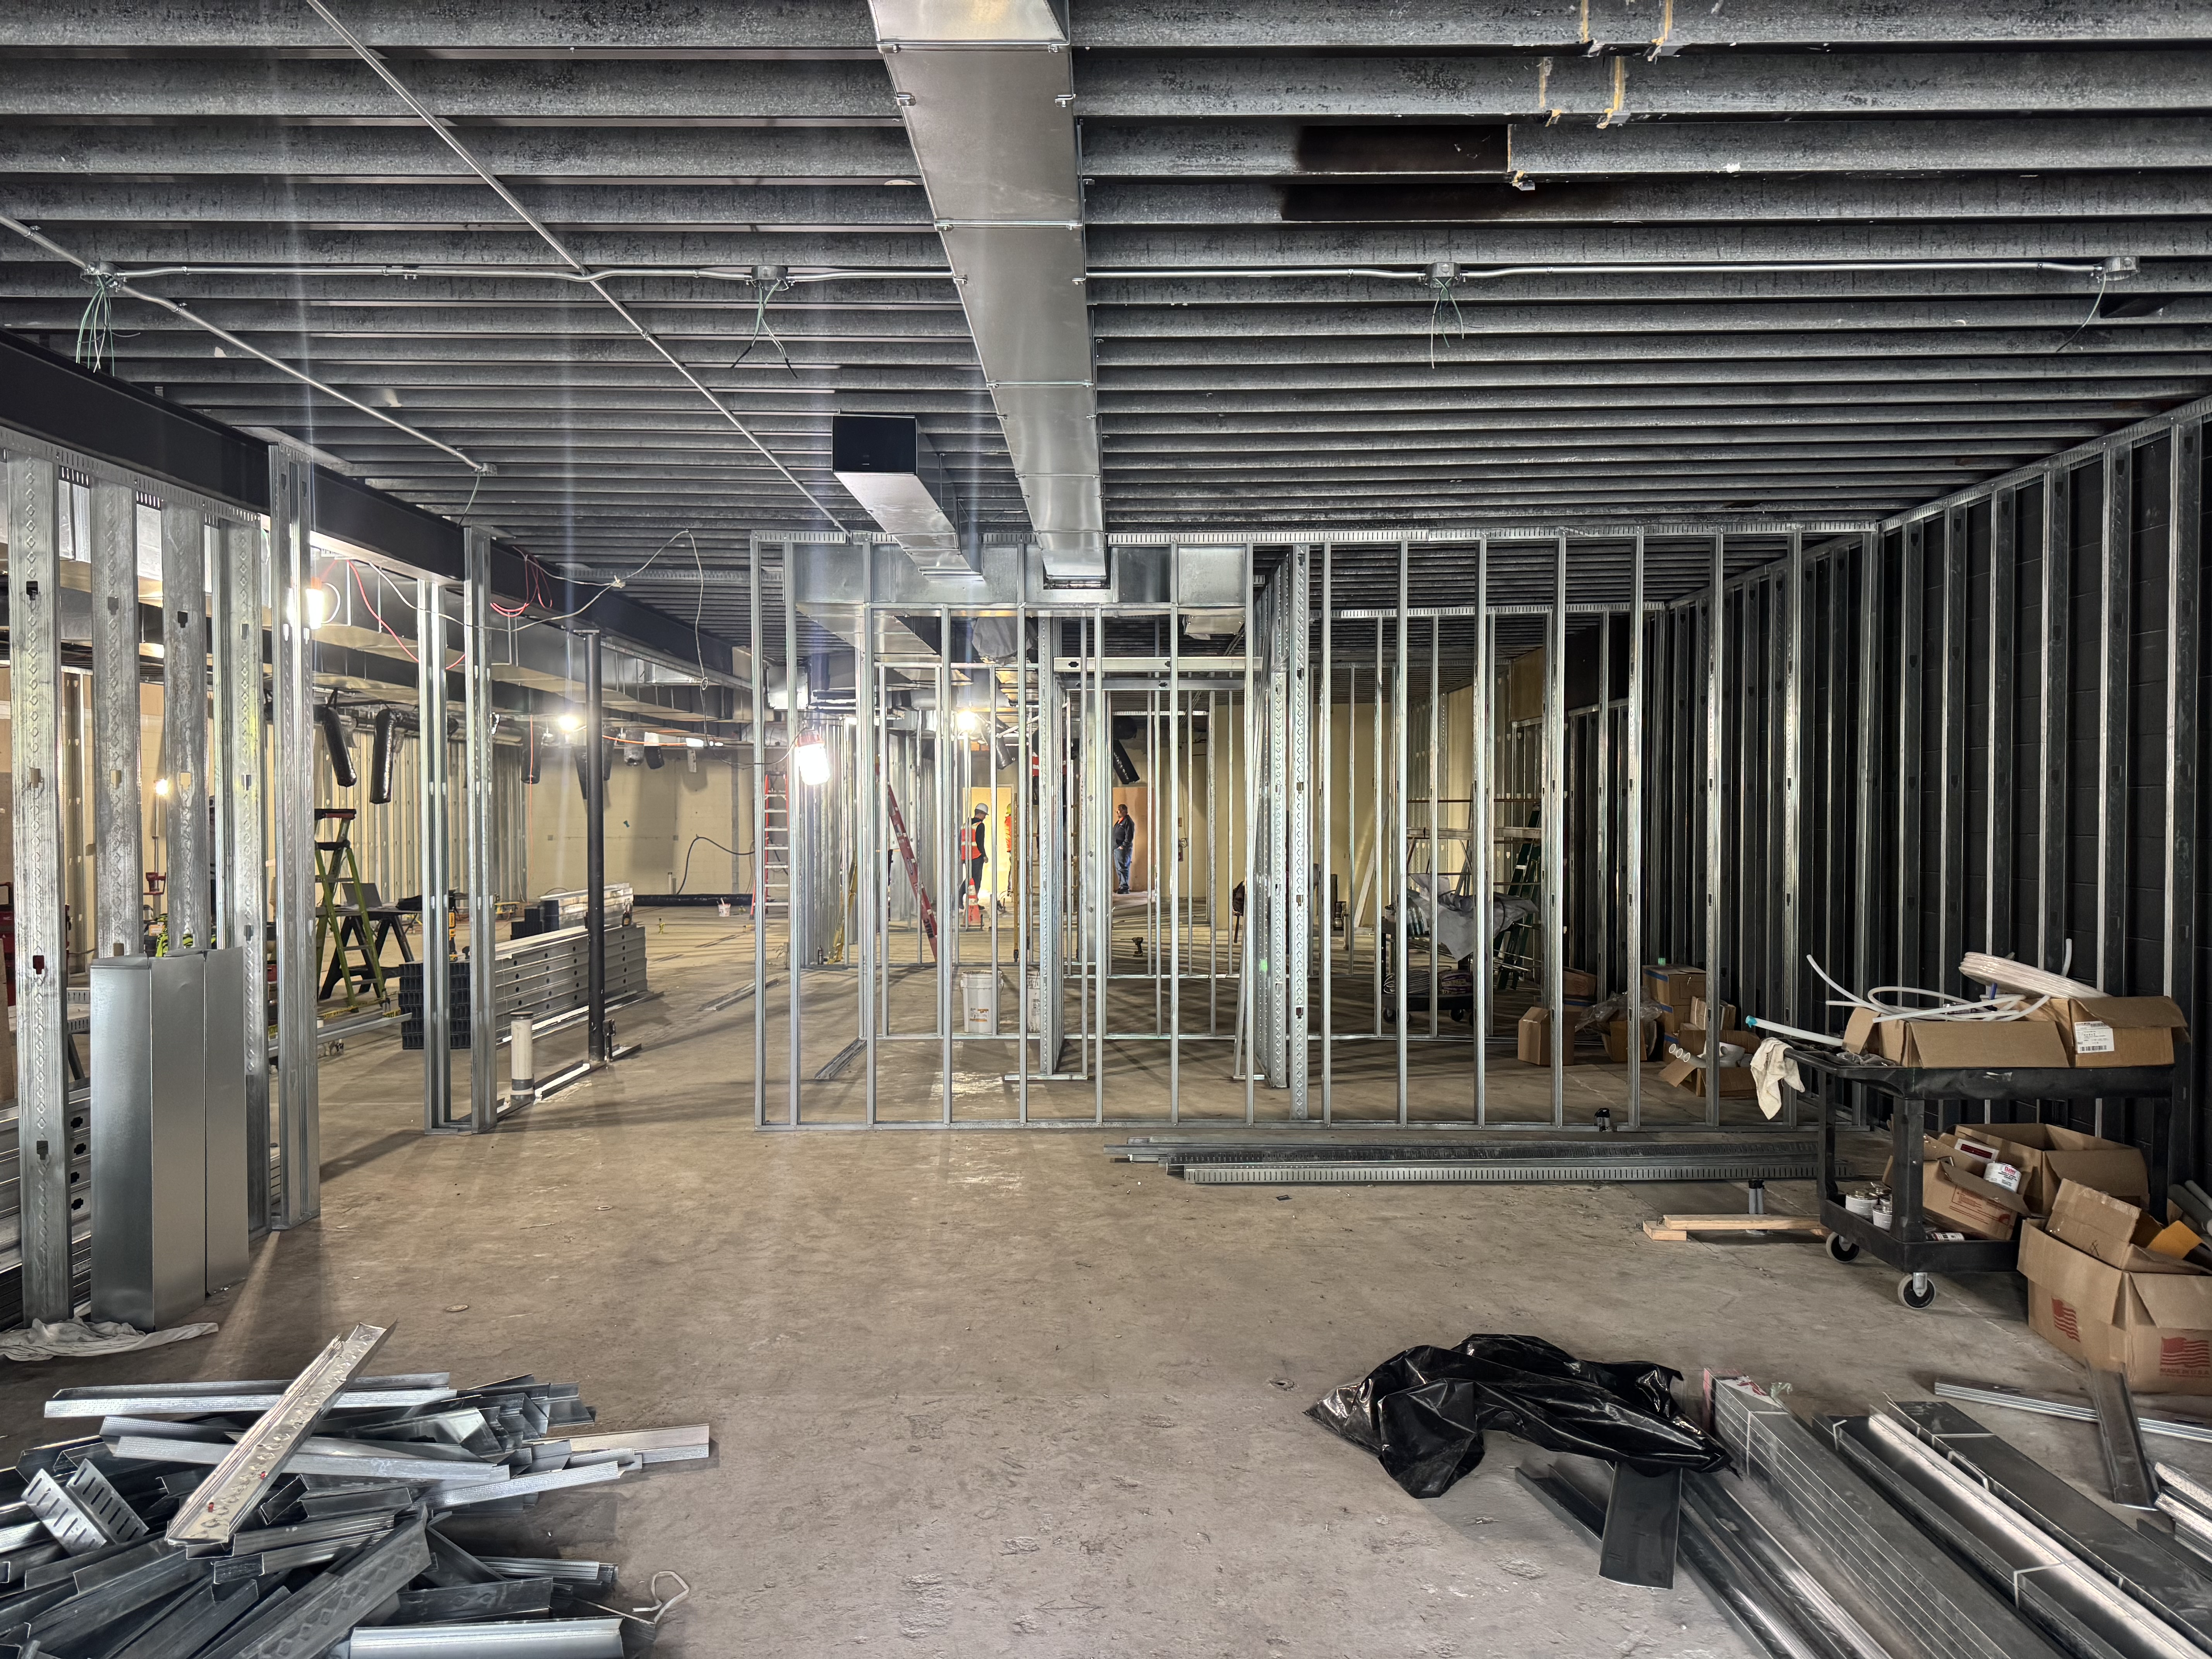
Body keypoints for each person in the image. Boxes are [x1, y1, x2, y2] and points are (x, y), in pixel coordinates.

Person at [963, 804, 989, 902]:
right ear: (981, 814)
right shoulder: (980, 825)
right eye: (985, 815)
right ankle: (973, 901)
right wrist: (984, 856)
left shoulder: (967, 824)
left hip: (967, 856)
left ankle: (972, 900)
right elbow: (980, 842)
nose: (985, 818)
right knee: (976, 880)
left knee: (970, 878)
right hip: (977, 856)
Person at [1112, 803, 1135, 893]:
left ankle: (1125, 888)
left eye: (1120, 811)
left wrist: (1123, 846)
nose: (1118, 812)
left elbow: (1129, 836)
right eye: (1118, 810)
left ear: (1125, 811)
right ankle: (1122, 886)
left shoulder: (1128, 821)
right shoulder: (1120, 821)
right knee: (1119, 868)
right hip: (1117, 848)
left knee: (1123, 868)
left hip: (1123, 849)